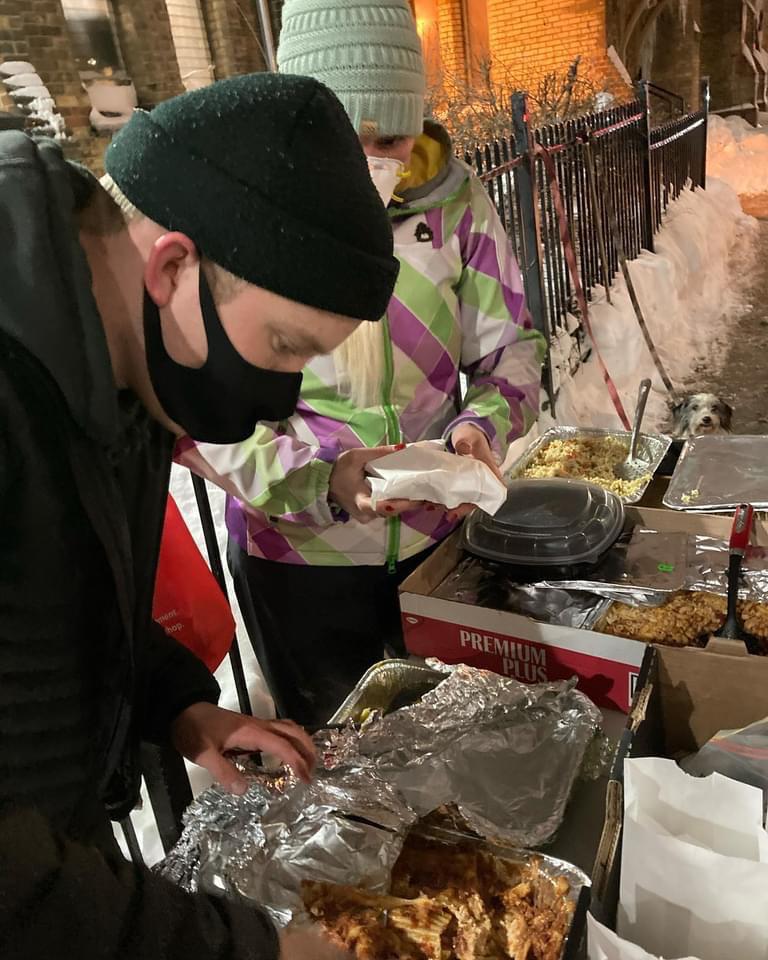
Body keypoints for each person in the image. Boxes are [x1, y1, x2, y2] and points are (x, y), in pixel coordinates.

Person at [0, 73, 398, 959]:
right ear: (173, 267)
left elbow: (57, 612)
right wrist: (250, 952)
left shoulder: (128, 372)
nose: (280, 397)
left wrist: (177, 702)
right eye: (284, 346)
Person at [178, 0, 546, 730]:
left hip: (434, 550)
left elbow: (512, 350)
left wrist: (479, 431)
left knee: (454, 749)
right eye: (349, 138)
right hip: (295, 560)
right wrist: (322, 484)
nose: (374, 162)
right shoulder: (241, 221)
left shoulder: (455, 205)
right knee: (334, 758)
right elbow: (199, 411)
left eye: (394, 138)